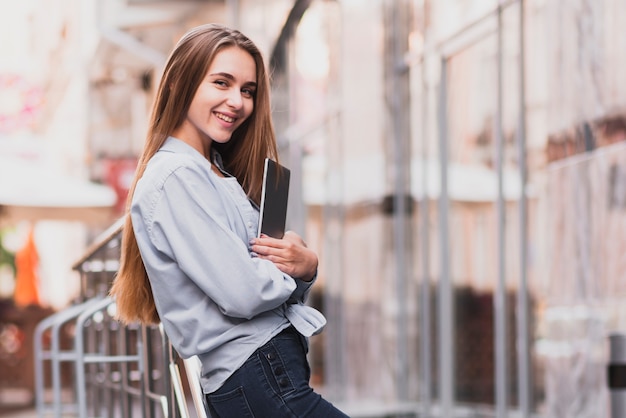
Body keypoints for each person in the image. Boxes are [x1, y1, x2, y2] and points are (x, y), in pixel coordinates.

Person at [109, 23, 349, 418]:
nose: (237, 101)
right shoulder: (177, 176)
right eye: (221, 83)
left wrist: (303, 267)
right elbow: (243, 292)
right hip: (257, 369)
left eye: (247, 90)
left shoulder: (213, 170)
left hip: (265, 369)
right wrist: (294, 270)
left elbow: (253, 275)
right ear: (178, 83)